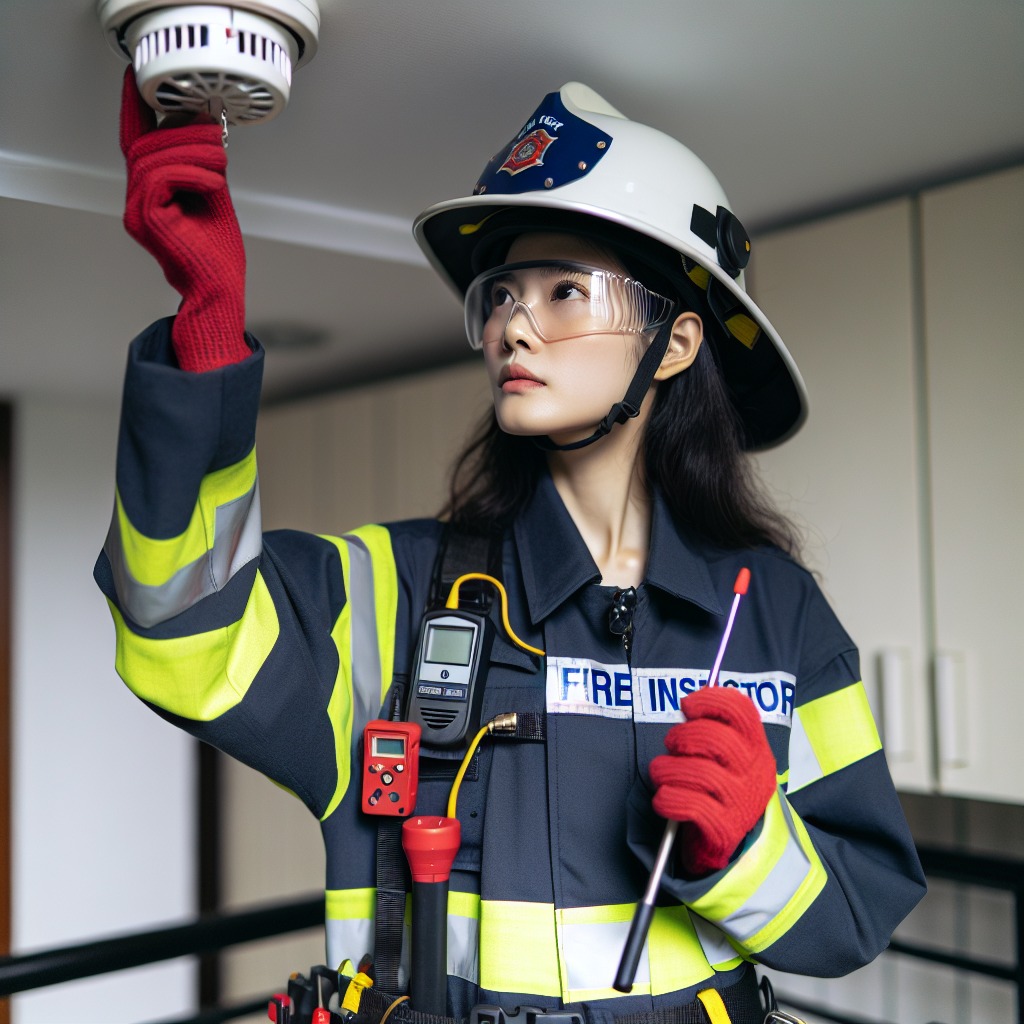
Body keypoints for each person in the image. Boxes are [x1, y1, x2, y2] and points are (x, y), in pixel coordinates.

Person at [97, 73, 925, 1022]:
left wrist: (747, 850)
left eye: (565, 290)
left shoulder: (776, 614)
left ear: (677, 339)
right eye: (501, 295)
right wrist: (205, 326)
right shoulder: (390, 593)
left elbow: (859, 913)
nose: (513, 326)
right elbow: (178, 627)